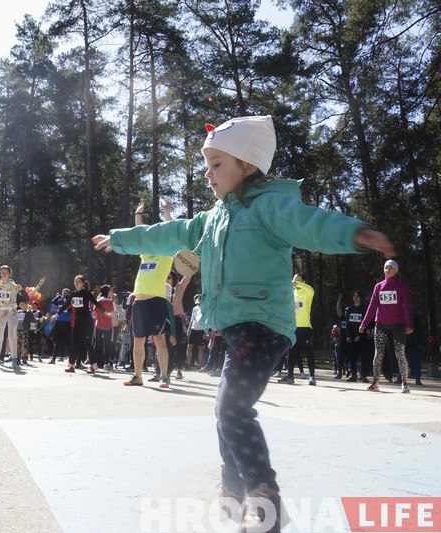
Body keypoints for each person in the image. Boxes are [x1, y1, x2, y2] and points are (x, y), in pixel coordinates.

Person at [92, 115, 394, 532]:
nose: (208, 173)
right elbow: (172, 232)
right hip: (236, 329)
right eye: (206, 164)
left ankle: (263, 495)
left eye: (218, 164)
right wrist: (125, 238)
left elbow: (310, 223)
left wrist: (354, 233)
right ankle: (233, 488)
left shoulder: (269, 205)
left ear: (247, 166)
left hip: (264, 325)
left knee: (232, 409)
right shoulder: (214, 217)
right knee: (226, 411)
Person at [122, 200, 175, 388]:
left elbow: (170, 230)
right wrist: (138, 213)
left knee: (159, 340)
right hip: (139, 303)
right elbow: (139, 232)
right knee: (138, 341)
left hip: (156, 302)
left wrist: (167, 212)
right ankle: (138, 376)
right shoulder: (145, 254)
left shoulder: (167, 253)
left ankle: (164, 376)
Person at [359, 260, 413, 393]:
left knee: (400, 353)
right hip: (381, 324)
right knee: (378, 353)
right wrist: (364, 324)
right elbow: (372, 306)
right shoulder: (379, 286)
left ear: (396, 270)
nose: (387, 270)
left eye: (390, 268)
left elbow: (407, 306)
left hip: (398, 325)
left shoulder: (401, 287)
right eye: (385, 268)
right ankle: (375, 382)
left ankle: (404, 382)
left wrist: (409, 324)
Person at [0, 265, 45, 369]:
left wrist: (6, 313)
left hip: (11, 312)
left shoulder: (13, 286)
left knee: (12, 337)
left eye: (6, 272)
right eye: (2, 272)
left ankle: (14, 361)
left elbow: (13, 301)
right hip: (0, 312)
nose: (4, 274)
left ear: (9, 274)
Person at [279, 274, 317, 385]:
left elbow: (311, 289)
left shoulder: (307, 292)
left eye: (298, 280)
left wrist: (298, 284)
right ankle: (290, 376)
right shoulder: (292, 293)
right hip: (293, 328)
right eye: (294, 280)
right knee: (291, 352)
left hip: (305, 328)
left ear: (303, 282)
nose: (294, 282)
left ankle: (312, 377)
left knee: (308, 352)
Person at [66, 274, 106, 374]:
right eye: (75, 281)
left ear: (83, 283)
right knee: (73, 343)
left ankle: (92, 365)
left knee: (88, 343)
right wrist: (57, 314)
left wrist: (106, 313)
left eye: (78, 281)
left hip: (87, 321)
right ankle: (71, 365)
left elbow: (96, 304)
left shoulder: (87, 293)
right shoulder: (73, 294)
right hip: (78, 321)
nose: (76, 283)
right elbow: (66, 305)